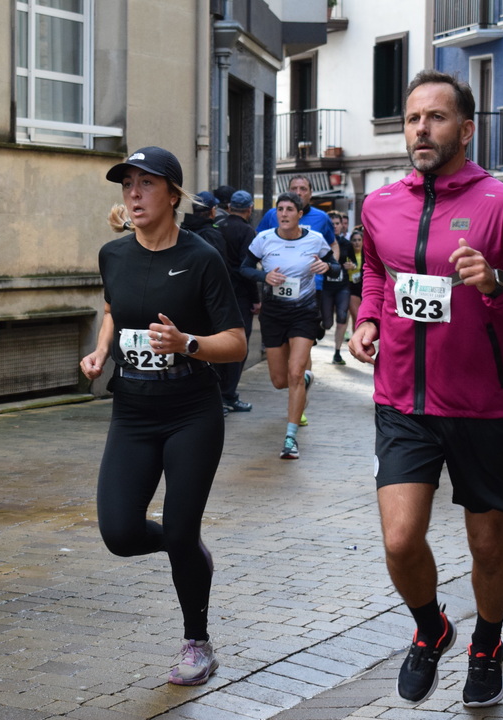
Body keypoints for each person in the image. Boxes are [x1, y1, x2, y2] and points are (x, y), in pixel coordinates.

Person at [348, 70, 503, 708]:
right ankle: (432, 628)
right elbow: (376, 270)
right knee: (399, 540)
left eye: (436, 117)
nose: (421, 129)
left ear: (466, 130)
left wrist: (498, 283)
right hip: (402, 402)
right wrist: (368, 318)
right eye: (413, 118)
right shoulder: (379, 205)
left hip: (481, 407)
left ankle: (487, 644)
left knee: (487, 545)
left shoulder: (502, 205)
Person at [80, 146, 246, 686]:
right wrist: (101, 351)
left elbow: (237, 342)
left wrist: (187, 342)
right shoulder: (113, 255)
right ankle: (187, 547)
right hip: (132, 409)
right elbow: (113, 310)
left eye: (146, 184)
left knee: (179, 525)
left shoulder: (202, 257)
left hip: (190, 412)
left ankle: (197, 643)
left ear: (173, 195)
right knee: (119, 532)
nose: (133, 194)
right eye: (127, 184)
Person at [241, 191, 339, 460]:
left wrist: (326, 267)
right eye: (280, 209)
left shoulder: (315, 239)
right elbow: (244, 268)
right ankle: (306, 379)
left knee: (295, 372)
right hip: (273, 315)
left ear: (300, 214)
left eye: (289, 209)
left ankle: (290, 439)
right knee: (279, 380)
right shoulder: (263, 239)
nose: (283, 214)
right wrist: (264, 275)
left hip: (304, 313)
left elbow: (335, 266)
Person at [212, 189, 261, 413]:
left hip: (217, 295)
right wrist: (255, 299)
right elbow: (246, 269)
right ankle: (229, 395)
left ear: (230, 207)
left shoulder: (218, 226)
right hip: (239, 296)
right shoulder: (247, 231)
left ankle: (216, 394)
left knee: (216, 343)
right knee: (237, 346)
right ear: (249, 209)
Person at [322, 211, 353, 365]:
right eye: (331, 224)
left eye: (337, 223)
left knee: (342, 317)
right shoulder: (321, 242)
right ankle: (320, 328)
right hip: (326, 287)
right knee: (327, 323)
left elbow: (354, 262)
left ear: (342, 226)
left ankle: (337, 352)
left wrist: (351, 265)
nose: (334, 226)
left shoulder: (347, 244)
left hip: (343, 286)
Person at [344, 226, 364, 331]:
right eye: (354, 240)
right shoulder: (347, 255)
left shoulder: (367, 255)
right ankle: (356, 338)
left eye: (359, 240)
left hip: (364, 287)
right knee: (356, 317)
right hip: (352, 287)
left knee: (363, 318)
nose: (357, 243)